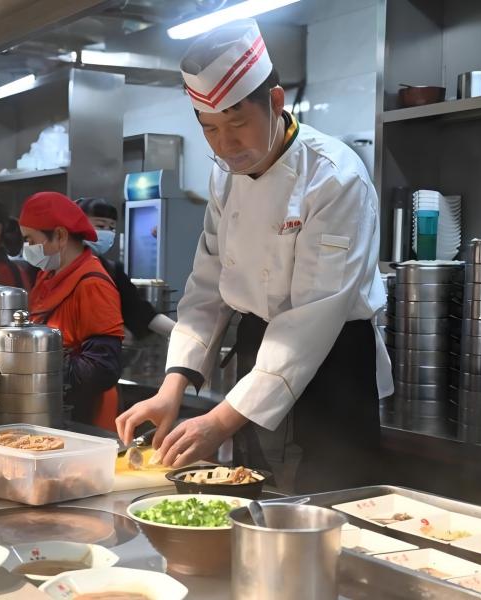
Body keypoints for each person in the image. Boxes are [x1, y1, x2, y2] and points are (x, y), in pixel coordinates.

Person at [115, 19, 392, 493]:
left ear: (276, 102)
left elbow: (313, 318)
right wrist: (171, 387)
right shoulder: (225, 176)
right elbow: (207, 288)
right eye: (210, 129)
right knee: (252, 494)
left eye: (238, 124)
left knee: (327, 506)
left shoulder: (334, 177)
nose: (225, 145)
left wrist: (219, 422)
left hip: (333, 365)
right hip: (256, 353)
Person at [18, 191, 124, 431]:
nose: (28, 248)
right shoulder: (47, 277)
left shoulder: (92, 284)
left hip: (84, 414)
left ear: (60, 235)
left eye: (31, 240)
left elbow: (102, 368)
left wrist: (33, 363)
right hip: (53, 406)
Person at [75, 197, 176, 339]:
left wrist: (183, 335)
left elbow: (138, 310)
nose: (107, 232)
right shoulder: (55, 265)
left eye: (112, 228)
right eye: (100, 226)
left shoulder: (112, 270)